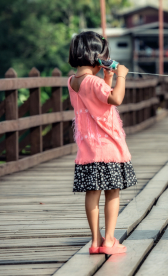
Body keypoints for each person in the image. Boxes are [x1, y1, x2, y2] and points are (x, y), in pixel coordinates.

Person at [67, 31, 137, 255]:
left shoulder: (73, 82)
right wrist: (122, 76)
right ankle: (109, 241)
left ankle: (95, 241)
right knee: (113, 192)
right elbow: (115, 99)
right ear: (97, 57)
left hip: (88, 150)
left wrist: (107, 77)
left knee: (92, 193)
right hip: (108, 147)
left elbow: (98, 100)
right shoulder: (93, 83)